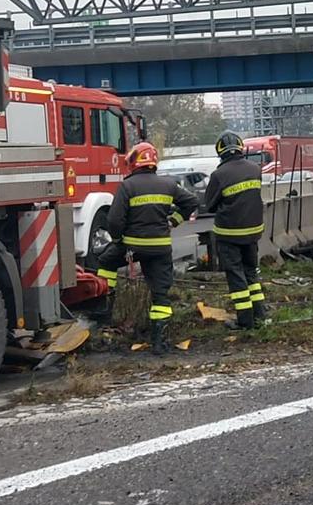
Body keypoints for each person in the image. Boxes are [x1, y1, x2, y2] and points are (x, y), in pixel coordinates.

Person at [92, 142, 199, 355]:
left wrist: (117, 239)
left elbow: (114, 219)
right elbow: (191, 202)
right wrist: (173, 222)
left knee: (105, 262)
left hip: (131, 246)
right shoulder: (168, 185)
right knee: (161, 294)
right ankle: (159, 342)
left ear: (134, 161)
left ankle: (104, 311)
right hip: (160, 248)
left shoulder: (127, 186)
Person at [202, 131, 268, 329]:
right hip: (253, 232)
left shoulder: (219, 175)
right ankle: (260, 316)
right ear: (241, 148)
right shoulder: (255, 168)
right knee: (251, 275)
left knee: (236, 277)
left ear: (220, 151)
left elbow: (210, 205)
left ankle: (245, 321)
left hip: (229, 234)